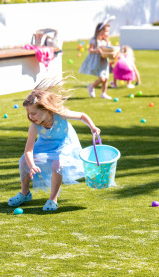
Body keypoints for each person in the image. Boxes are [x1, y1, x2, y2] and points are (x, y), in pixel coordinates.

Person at [7, 78, 100, 212]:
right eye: (28, 114)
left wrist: (92, 127)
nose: (31, 117)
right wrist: (32, 166)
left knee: (57, 164)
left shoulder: (61, 115)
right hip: (45, 144)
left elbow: (81, 116)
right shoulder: (34, 126)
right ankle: (25, 193)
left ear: (46, 110)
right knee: (23, 162)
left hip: (64, 143)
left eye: (33, 113)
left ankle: (53, 199)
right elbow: (28, 151)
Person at [79, 18, 113, 99]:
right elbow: (90, 50)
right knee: (102, 78)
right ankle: (91, 86)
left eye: (108, 31)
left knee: (106, 78)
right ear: (100, 31)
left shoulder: (106, 41)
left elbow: (109, 49)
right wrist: (97, 50)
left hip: (104, 60)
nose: (108, 33)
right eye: (106, 31)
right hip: (97, 61)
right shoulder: (94, 40)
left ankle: (103, 93)